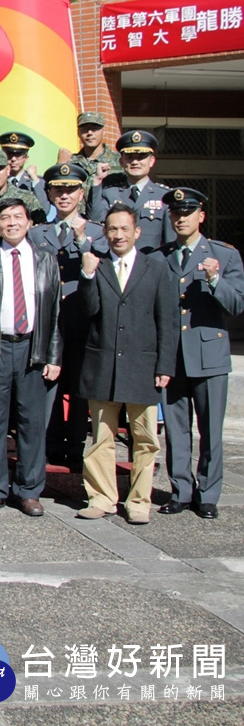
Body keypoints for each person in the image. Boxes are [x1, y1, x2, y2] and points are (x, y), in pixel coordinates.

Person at [77, 203, 178, 524]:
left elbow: (167, 321)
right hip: (103, 364)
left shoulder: (156, 268)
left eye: (124, 229)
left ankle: (138, 501)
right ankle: (101, 497)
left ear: (137, 232)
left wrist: (165, 365)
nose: (118, 235)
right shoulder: (99, 266)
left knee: (145, 440)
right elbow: (89, 311)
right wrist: (87, 275)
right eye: (112, 229)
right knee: (101, 439)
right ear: (104, 233)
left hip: (142, 366)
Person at [0, 198, 62, 517]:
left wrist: (53, 356)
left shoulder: (45, 258)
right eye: (5, 218)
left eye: (18, 217)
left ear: (28, 222)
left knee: (31, 422)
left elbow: (55, 312)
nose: (12, 223)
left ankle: (29, 490)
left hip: (32, 349)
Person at [157, 188, 244, 519]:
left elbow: (236, 305)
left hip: (209, 356)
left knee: (210, 431)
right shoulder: (161, 256)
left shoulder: (223, 255)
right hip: (173, 357)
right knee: (176, 430)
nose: (181, 218)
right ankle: (180, 491)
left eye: (188, 213)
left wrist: (215, 279)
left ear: (201, 216)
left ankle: (207, 494)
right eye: (176, 213)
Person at [29, 162, 107, 469]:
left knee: (78, 389)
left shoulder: (97, 232)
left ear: (81, 193)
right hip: (47, 324)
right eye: (58, 190)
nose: (64, 195)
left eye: (71, 190)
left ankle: (75, 446)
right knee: (46, 388)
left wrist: (81, 239)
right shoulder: (37, 233)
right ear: (48, 194)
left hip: (80, 321)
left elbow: (104, 266)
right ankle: (48, 444)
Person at [86, 130, 174, 253]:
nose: (135, 162)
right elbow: (94, 218)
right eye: (130, 157)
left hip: (150, 261)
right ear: (121, 162)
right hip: (117, 260)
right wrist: (97, 181)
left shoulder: (163, 196)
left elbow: (171, 241)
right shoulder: (110, 193)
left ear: (151, 161)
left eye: (141, 157)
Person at [0, 132, 49, 208]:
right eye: (9, 154)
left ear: (26, 159)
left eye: (18, 155)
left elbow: (45, 208)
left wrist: (35, 180)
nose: (13, 159)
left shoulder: (36, 182)